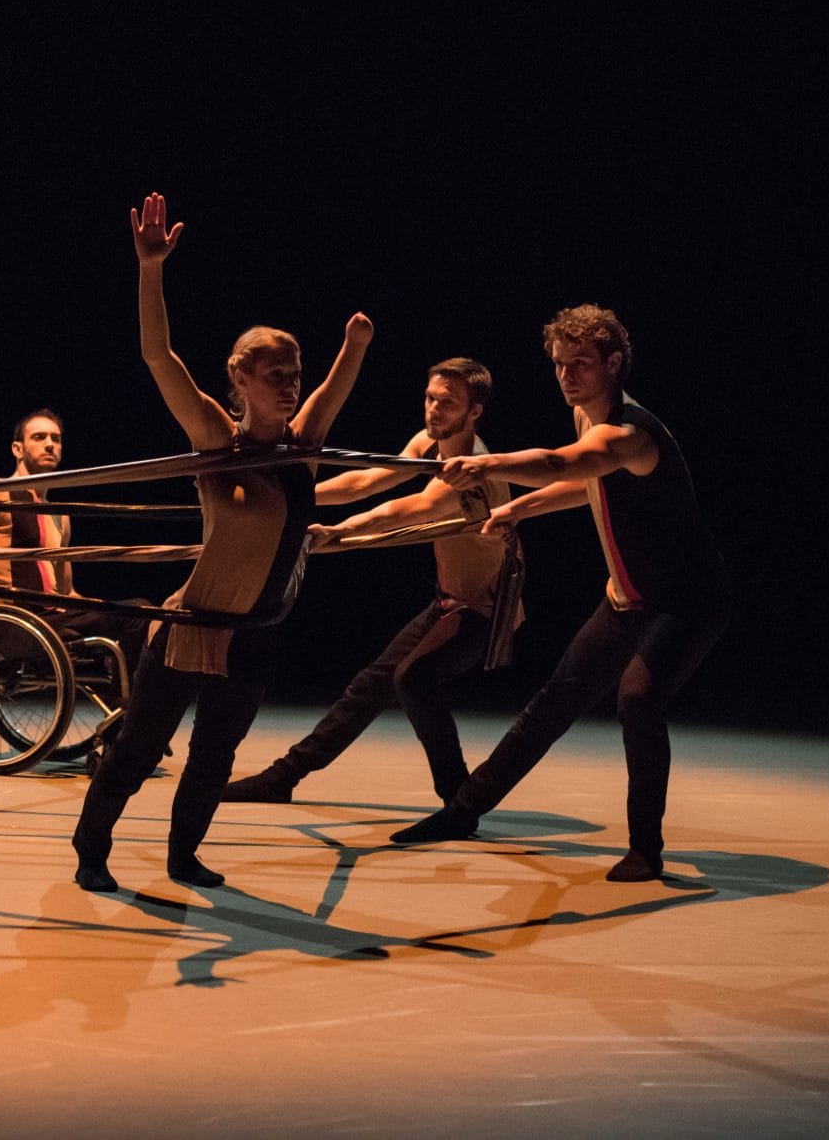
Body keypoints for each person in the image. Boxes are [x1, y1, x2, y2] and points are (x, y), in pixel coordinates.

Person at [70, 192, 371, 892]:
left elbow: (335, 386)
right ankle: (91, 849)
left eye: (295, 375)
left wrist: (355, 345)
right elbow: (157, 356)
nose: (290, 387)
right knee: (137, 752)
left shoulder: (304, 448)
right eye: (275, 376)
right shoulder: (216, 441)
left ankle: (183, 856)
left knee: (214, 760)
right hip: (191, 627)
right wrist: (151, 270)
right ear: (239, 377)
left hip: (256, 633)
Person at [390, 305, 730, 883]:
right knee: (553, 702)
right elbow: (584, 482)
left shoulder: (630, 434)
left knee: (638, 699)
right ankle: (462, 810)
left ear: (614, 363)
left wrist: (486, 466)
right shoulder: (586, 418)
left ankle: (645, 851)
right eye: (558, 364)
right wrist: (521, 507)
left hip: (686, 599)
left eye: (580, 364)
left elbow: (559, 463)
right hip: (627, 597)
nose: (566, 376)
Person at [222, 358, 523, 806]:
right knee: (370, 688)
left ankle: (460, 799)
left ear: (474, 412)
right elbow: (369, 480)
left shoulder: (472, 469)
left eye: (447, 403)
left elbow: (405, 511)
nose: (434, 409)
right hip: (450, 602)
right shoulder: (428, 443)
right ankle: (283, 778)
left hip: (485, 609)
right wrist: (289, 498)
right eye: (430, 398)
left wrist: (339, 530)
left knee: (413, 679)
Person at [0, 407, 150, 671]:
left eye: (55, 438)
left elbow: (66, 592)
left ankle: (125, 689)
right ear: (17, 449)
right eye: (39, 437)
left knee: (144, 614)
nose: (49, 444)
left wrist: (105, 608)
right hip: (15, 622)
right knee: (136, 615)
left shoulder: (60, 516)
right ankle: (131, 694)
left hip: (54, 618)